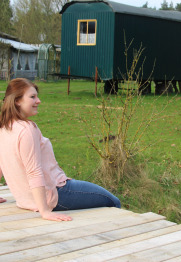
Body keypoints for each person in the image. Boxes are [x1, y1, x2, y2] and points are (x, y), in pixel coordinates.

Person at [0, 78, 121, 222]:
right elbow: (34, 171)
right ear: (17, 101)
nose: (38, 101)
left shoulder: (4, 127)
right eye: (32, 97)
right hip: (55, 195)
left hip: (25, 200)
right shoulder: (27, 130)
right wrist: (45, 211)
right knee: (113, 201)